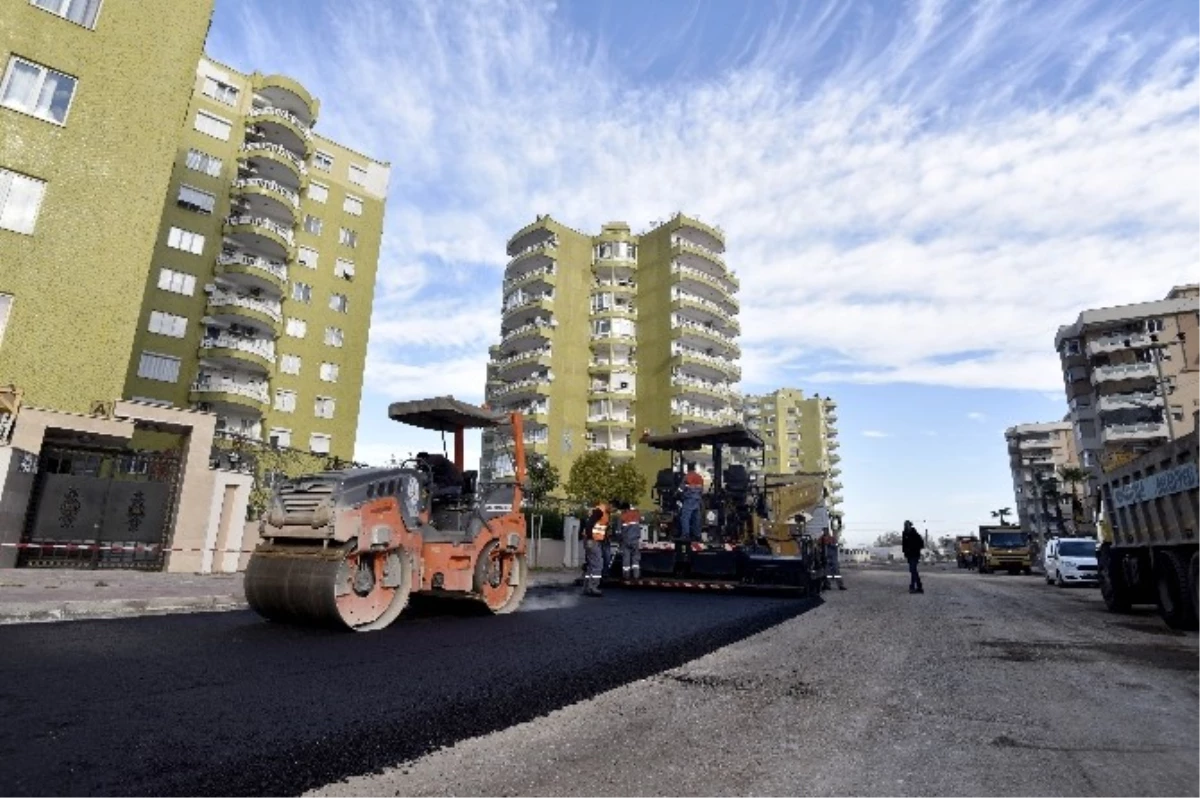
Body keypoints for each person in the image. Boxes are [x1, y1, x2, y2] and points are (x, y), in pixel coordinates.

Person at [580, 499, 610, 597]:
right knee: (598, 564)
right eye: (614, 508)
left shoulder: (603, 512)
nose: (614, 510)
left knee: (591, 564)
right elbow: (589, 525)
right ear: (610, 505)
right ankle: (593, 587)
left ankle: (587, 587)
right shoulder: (600, 511)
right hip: (592, 540)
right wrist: (589, 539)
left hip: (592, 540)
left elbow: (599, 528)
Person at [678, 462, 705, 542]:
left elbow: (681, 489)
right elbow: (701, 490)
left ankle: (685, 535)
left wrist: (677, 493)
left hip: (689, 499)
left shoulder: (687, 477)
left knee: (685, 518)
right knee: (696, 518)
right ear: (694, 468)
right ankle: (697, 535)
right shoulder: (699, 477)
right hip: (697, 500)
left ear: (688, 468)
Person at [618, 500, 643, 580]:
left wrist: (619, 539)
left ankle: (626, 575)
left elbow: (618, 531)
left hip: (626, 540)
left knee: (626, 558)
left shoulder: (623, 516)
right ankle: (636, 575)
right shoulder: (636, 514)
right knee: (635, 557)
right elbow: (642, 519)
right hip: (635, 539)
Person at [902, 520, 925, 593]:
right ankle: (919, 587)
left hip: (915, 554)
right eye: (905, 525)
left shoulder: (915, 534)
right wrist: (905, 552)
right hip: (909, 555)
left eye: (907, 525)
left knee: (913, 570)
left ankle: (912, 587)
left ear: (910, 526)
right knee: (913, 571)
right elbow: (904, 545)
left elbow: (921, 544)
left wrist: (914, 548)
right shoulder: (904, 534)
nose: (906, 526)